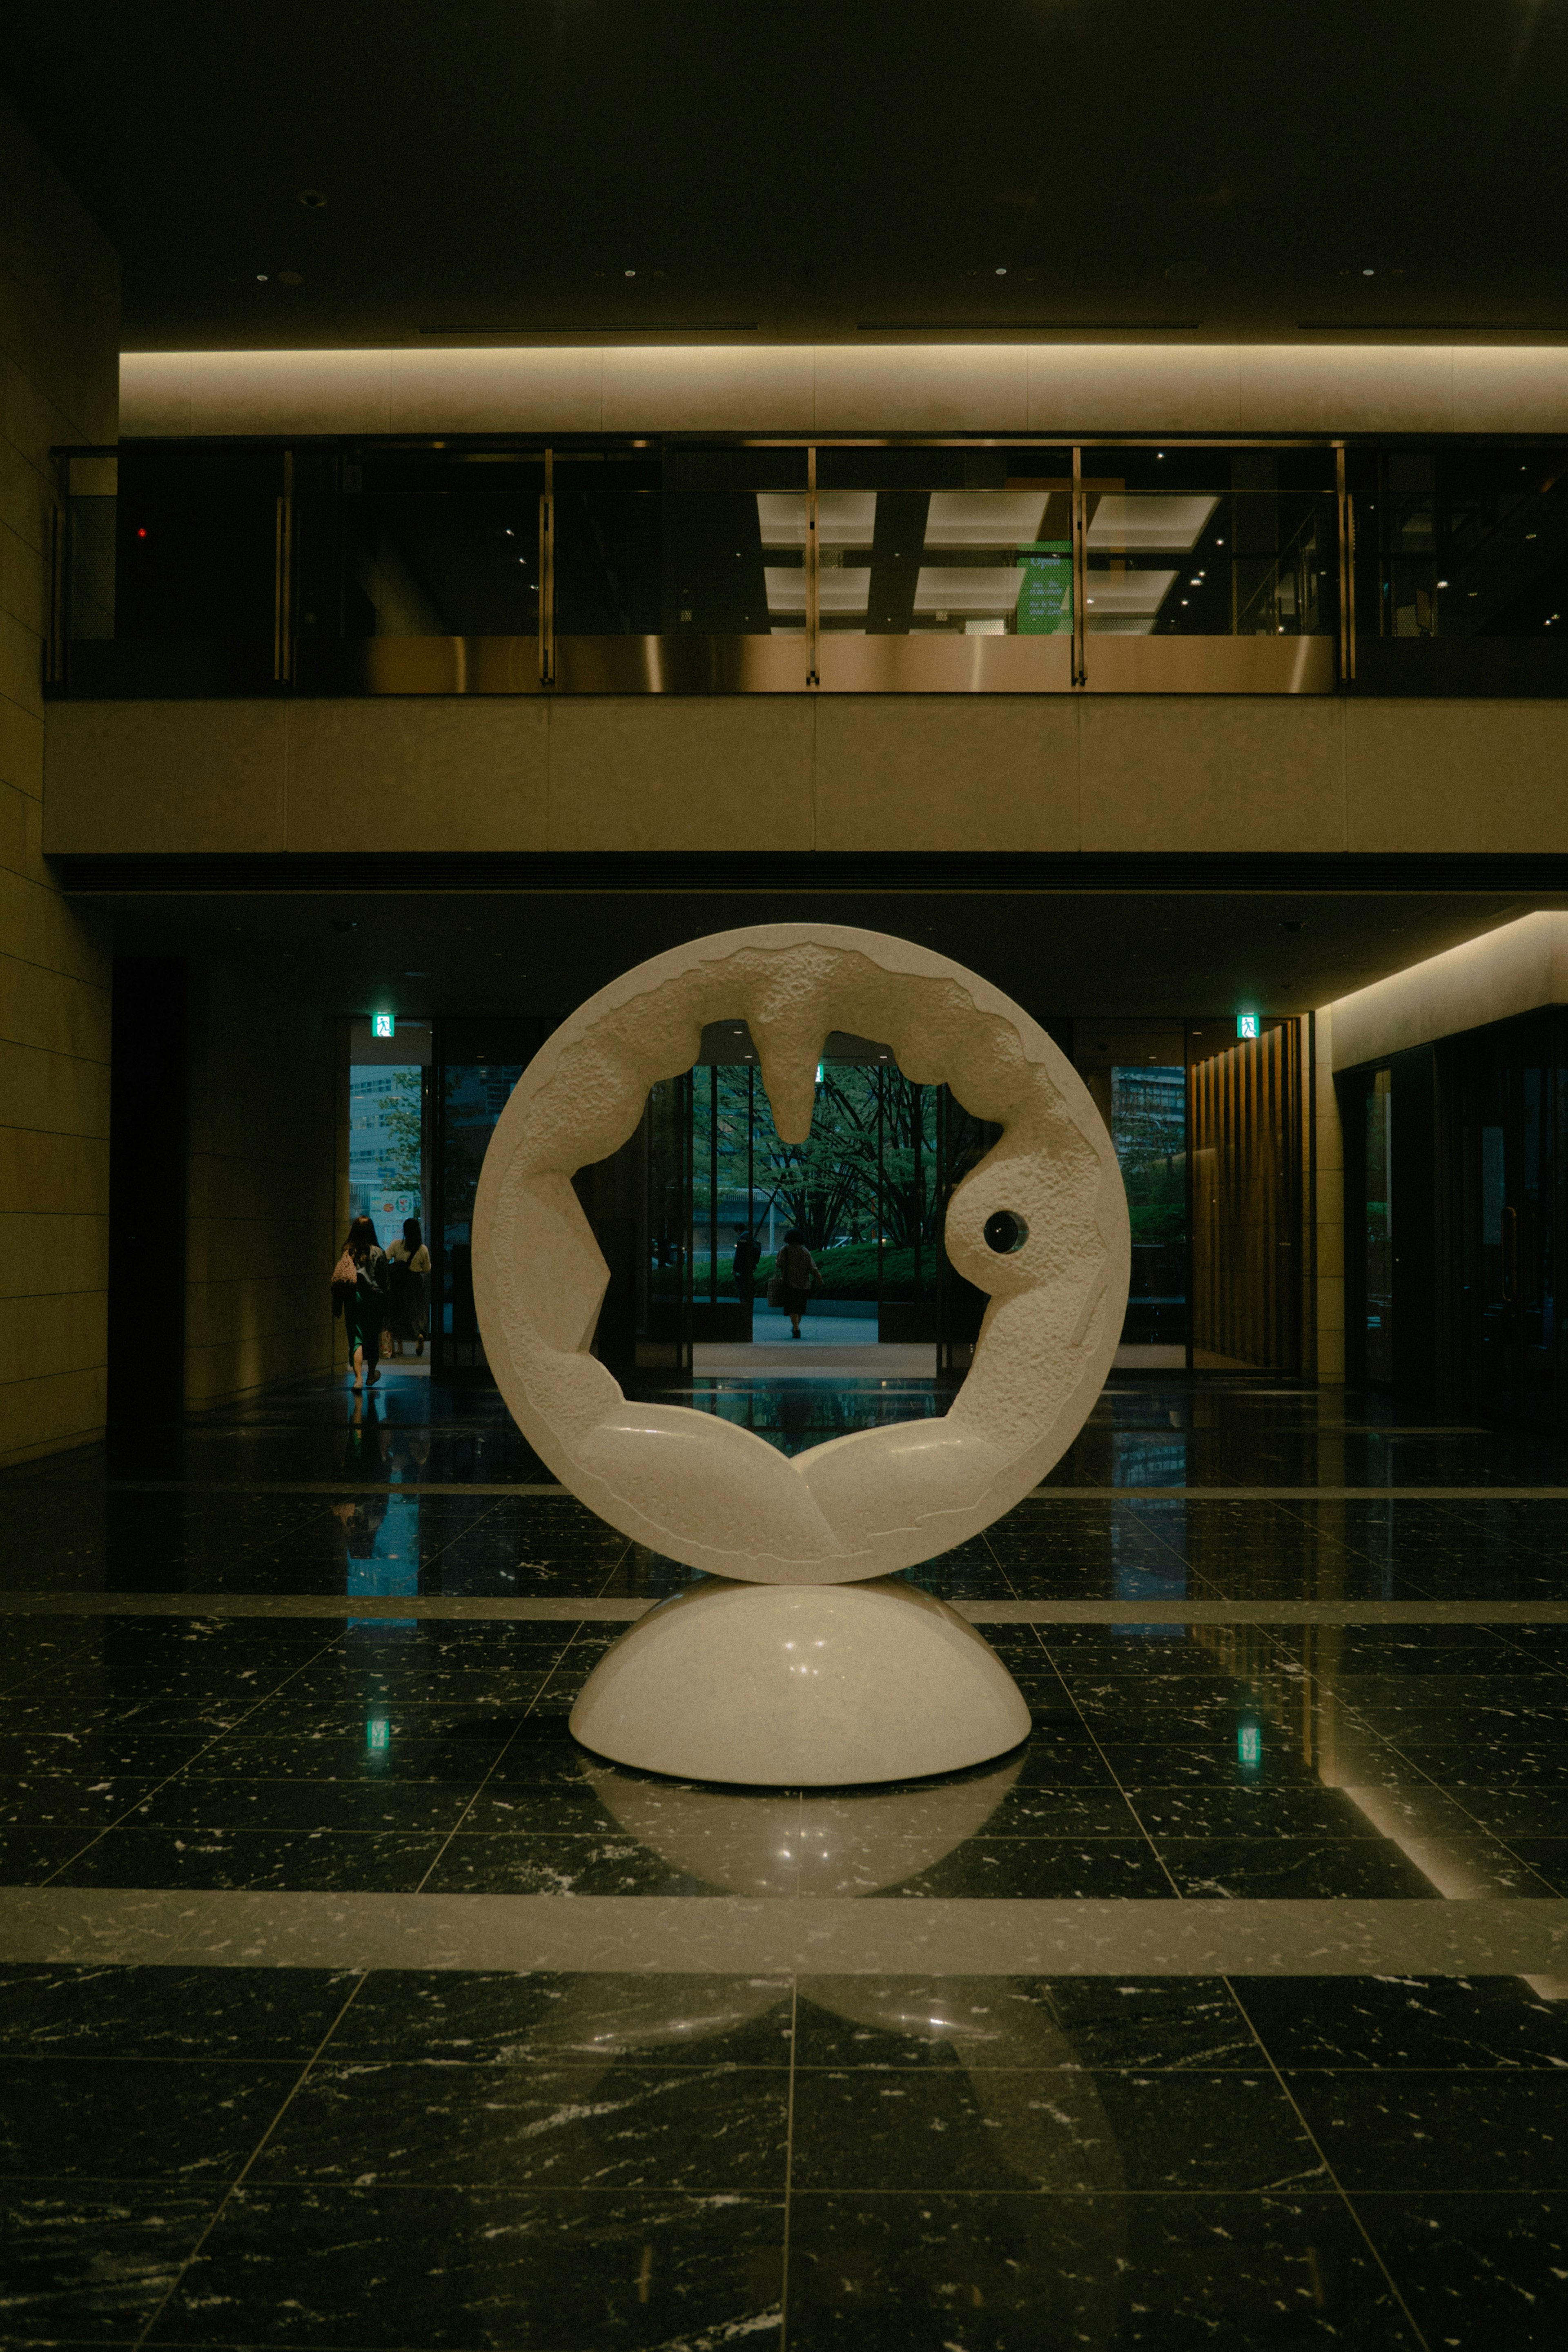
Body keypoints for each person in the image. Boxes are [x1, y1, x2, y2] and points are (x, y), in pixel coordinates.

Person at [336, 1215, 386, 1392]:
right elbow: (384, 1280)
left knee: (356, 1339)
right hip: (374, 1300)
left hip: (353, 1299)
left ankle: (358, 1379)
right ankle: (371, 1375)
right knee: (372, 1338)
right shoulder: (379, 1253)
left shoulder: (348, 1252)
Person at [386, 1216, 432, 1358]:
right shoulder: (423, 1249)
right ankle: (419, 1333)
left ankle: (399, 1347)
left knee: (398, 1312)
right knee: (417, 1311)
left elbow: (386, 1259)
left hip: (399, 1284)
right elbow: (427, 1270)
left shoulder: (396, 1245)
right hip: (416, 1283)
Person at [774, 1226, 820, 1339]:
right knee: (800, 1308)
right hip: (804, 1284)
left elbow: (779, 1264)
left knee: (792, 1308)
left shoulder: (785, 1250)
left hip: (789, 1283)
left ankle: (796, 1328)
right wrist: (819, 1279)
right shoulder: (805, 1251)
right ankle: (796, 1326)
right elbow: (813, 1267)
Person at [732, 1226, 762, 1298]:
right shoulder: (752, 1238)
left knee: (742, 1286)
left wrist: (734, 1269)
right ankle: (749, 1301)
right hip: (751, 1266)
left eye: (737, 1232)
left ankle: (744, 1303)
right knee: (749, 1286)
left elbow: (738, 1255)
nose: (737, 1234)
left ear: (739, 1230)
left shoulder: (742, 1239)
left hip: (741, 1267)